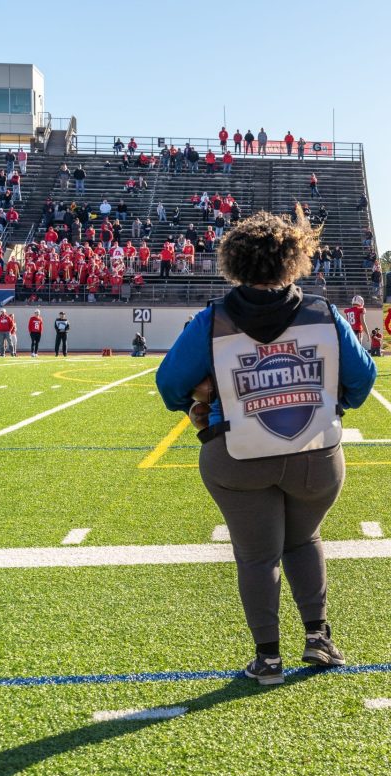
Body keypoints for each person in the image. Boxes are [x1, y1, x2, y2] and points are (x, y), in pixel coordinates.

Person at [156, 210, 377, 686]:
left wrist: (199, 399)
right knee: (304, 538)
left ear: (234, 263)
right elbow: (363, 381)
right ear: (294, 259)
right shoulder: (324, 312)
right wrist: (331, 398)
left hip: (237, 454)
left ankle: (268, 658)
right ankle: (319, 636)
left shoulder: (212, 319)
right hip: (316, 451)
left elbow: (170, 382)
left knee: (257, 556)